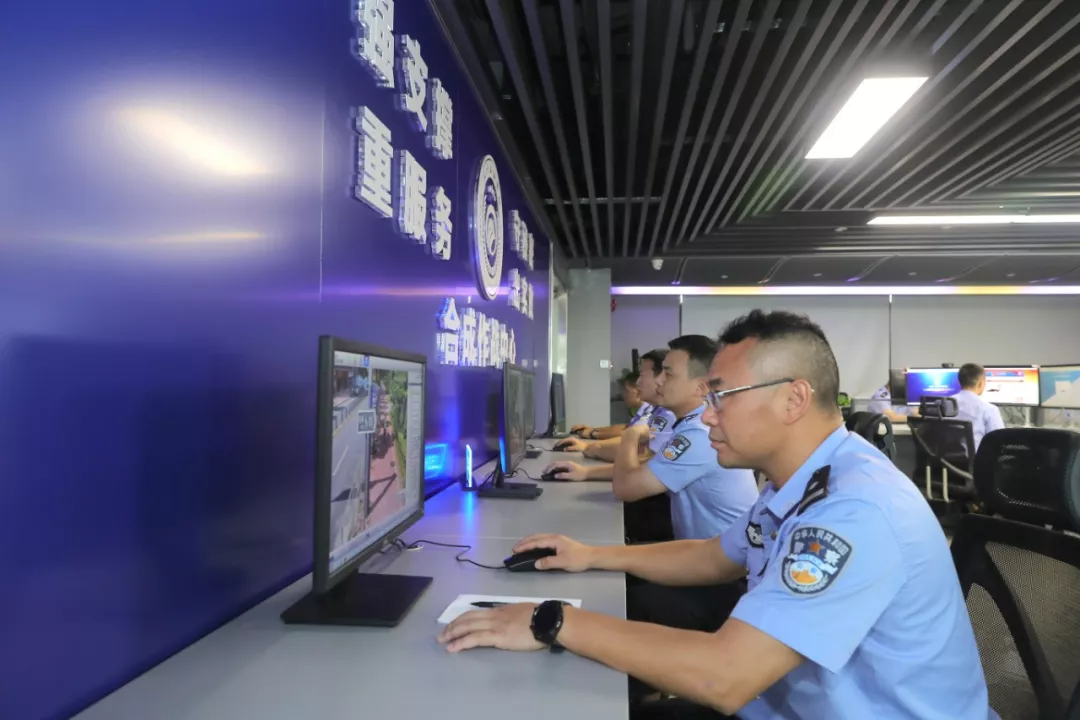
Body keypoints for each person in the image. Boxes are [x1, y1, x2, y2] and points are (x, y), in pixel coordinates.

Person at [438, 310, 994, 720]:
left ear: (793, 399)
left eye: (722, 396)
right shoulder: (801, 481)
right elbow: (713, 556)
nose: (706, 417)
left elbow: (726, 677)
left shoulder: (855, 509)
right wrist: (590, 555)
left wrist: (552, 619)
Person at [546, 336, 757, 541]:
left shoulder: (698, 434)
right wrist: (585, 473)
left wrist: (630, 436)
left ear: (700, 387)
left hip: (723, 559)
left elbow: (625, 488)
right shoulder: (689, 423)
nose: (659, 381)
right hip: (703, 549)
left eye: (668, 374)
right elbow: (648, 469)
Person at [557, 349, 675, 462]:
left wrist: (590, 445)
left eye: (642, 375)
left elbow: (640, 453)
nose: (638, 382)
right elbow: (629, 432)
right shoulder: (656, 409)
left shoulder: (669, 414)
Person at [568, 372, 647, 441]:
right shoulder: (643, 411)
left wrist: (593, 434)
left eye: (627, 391)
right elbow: (625, 427)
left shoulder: (648, 413)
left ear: (639, 392)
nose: (624, 395)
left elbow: (627, 433)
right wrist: (593, 429)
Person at [951, 363, 1005, 451]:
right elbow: (1000, 441)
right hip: (976, 459)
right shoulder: (989, 409)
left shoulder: (940, 405)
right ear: (981, 383)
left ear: (959, 381)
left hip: (942, 458)